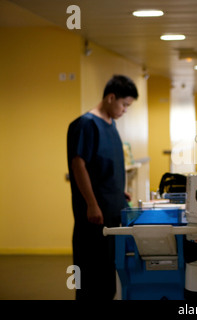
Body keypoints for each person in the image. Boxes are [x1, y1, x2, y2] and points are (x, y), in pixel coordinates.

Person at [67, 75, 138, 300]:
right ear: (110, 97)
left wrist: (118, 192)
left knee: (107, 272)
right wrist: (91, 203)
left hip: (111, 210)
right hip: (93, 216)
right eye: (124, 104)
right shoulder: (87, 124)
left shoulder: (111, 125)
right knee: (90, 275)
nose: (125, 110)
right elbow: (79, 165)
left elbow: (104, 166)